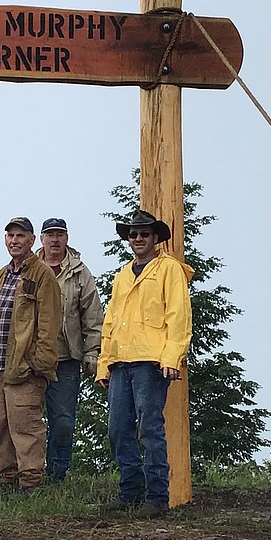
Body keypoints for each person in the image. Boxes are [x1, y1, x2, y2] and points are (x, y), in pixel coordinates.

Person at [96, 210, 193, 518]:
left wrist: (171, 357)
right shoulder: (122, 276)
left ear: (155, 238)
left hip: (151, 362)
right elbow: (110, 322)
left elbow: (179, 315)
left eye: (144, 234)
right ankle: (130, 492)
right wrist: (104, 363)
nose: (137, 239)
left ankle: (157, 497)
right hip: (121, 363)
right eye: (133, 234)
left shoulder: (169, 270)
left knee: (149, 429)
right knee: (118, 429)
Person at [0, 217, 61, 495]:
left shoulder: (42, 274)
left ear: (32, 240)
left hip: (24, 368)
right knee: (1, 425)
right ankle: (7, 480)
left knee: (25, 426)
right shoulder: (2, 274)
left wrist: (38, 364)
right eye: (10, 235)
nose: (14, 240)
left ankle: (31, 482)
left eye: (20, 236)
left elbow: (50, 323)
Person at [36, 217, 103, 483]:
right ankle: (28, 475)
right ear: (41, 239)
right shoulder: (29, 268)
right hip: (31, 359)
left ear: (67, 238)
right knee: (27, 422)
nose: (55, 239)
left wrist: (92, 353)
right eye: (50, 234)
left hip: (66, 360)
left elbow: (93, 316)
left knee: (63, 421)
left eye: (59, 234)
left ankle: (56, 475)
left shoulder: (80, 273)